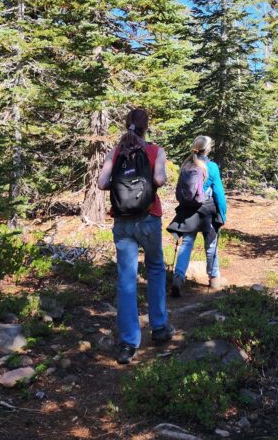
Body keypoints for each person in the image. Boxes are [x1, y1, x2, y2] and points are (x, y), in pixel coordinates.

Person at [96, 108, 174, 364]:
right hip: (149, 217)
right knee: (154, 268)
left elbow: (101, 183)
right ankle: (160, 327)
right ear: (146, 126)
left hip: (122, 222)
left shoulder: (115, 152)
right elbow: (160, 180)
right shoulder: (155, 150)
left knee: (126, 278)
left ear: (127, 125)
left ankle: (129, 343)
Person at [167, 135, 228, 296]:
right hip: (207, 211)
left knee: (186, 243)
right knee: (211, 246)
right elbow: (219, 193)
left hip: (188, 211)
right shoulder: (212, 166)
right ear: (207, 149)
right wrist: (222, 214)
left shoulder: (187, 164)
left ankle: (178, 278)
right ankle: (214, 278)